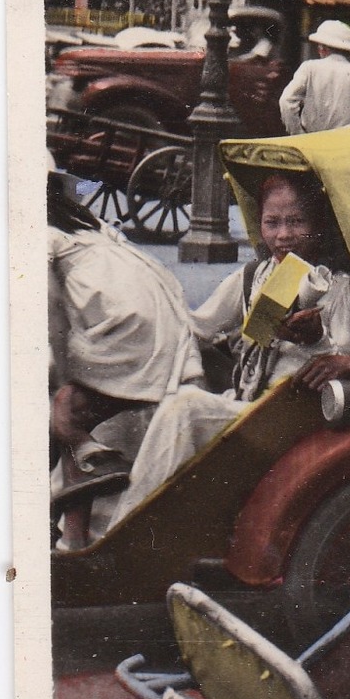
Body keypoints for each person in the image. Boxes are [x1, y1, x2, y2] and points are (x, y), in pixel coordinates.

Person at [112, 173, 350, 525]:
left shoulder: (339, 285)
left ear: (318, 224)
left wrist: (317, 339)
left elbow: (345, 360)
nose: (283, 236)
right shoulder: (254, 276)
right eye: (272, 223)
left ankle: (127, 528)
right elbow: (194, 327)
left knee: (184, 410)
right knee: (159, 403)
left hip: (297, 418)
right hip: (249, 406)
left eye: (296, 222)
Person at [48, 171, 206, 546]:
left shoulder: (35, 233)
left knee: (64, 407)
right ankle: (76, 535)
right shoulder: (86, 224)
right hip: (157, 311)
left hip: (126, 324)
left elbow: (51, 310)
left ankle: (74, 535)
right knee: (71, 412)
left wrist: (58, 369)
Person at [278, 19, 350, 135]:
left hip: (310, 138)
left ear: (323, 47)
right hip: (344, 141)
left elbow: (286, 101)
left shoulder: (309, 68)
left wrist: (297, 133)